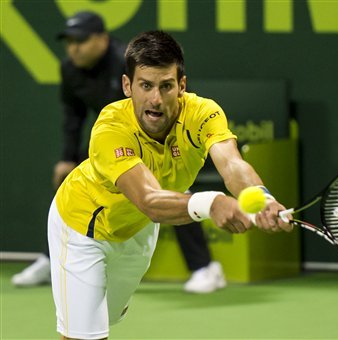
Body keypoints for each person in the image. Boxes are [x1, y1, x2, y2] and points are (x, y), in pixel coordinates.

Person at [47, 30, 292, 339]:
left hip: (137, 234)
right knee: (84, 334)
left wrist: (262, 198)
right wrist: (212, 203)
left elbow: (232, 164)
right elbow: (149, 200)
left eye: (166, 86)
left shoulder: (203, 113)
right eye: (145, 86)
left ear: (182, 86)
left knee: (106, 316)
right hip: (82, 226)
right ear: (127, 86)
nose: (156, 99)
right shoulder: (111, 128)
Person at [12, 11, 224, 294]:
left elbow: (164, 103)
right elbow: (73, 116)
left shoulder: (127, 64)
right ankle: (53, 258)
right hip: (113, 140)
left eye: (81, 40)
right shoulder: (70, 69)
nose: (74, 47)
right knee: (75, 185)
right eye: (70, 41)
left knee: (172, 192)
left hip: (157, 135)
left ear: (102, 39)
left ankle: (205, 267)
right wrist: (66, 158)